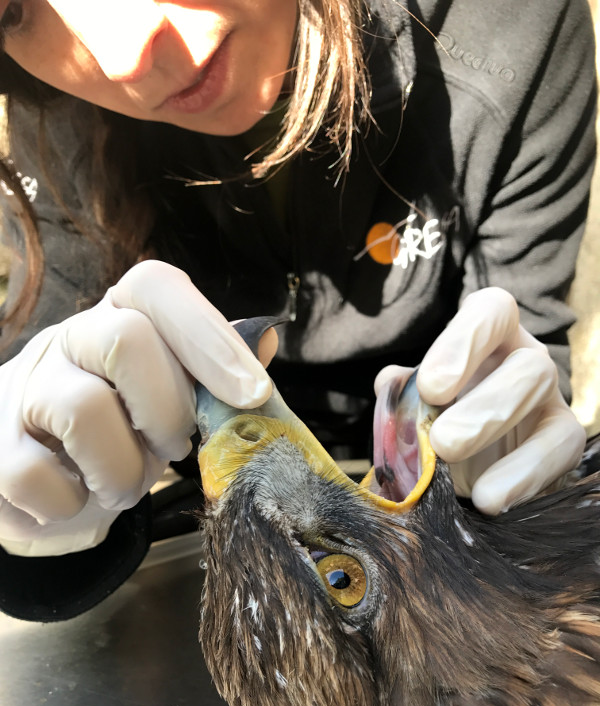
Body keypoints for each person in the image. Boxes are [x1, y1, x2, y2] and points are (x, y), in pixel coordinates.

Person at [0, 0, 595, 620]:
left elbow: (523, 344)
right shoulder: (54, 113)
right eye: (13, 13)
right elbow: (47, 422)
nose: (125, 57)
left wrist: (521, 468)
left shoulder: (512, 23)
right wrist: (46, 536)